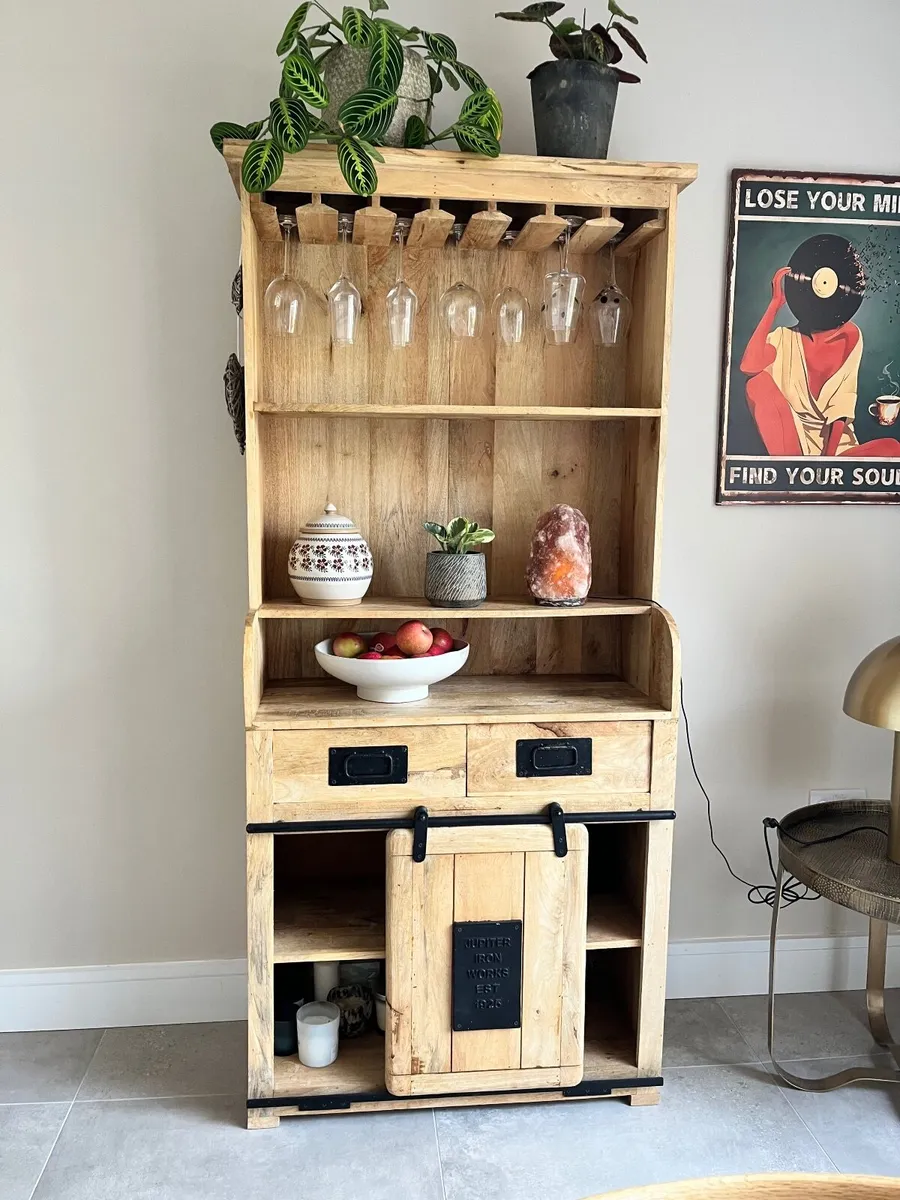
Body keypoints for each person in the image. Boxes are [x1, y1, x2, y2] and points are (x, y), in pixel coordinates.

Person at [741, 265, 900, 457]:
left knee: (893, 447)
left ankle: (812, 482)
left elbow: (842, 404)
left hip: (837, 454)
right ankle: (794, 471)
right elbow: (748, 366)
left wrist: (826, 465)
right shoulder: (783, 338)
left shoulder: (851, 336)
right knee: (756, 384)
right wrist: (774, 305)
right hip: (791, 448)